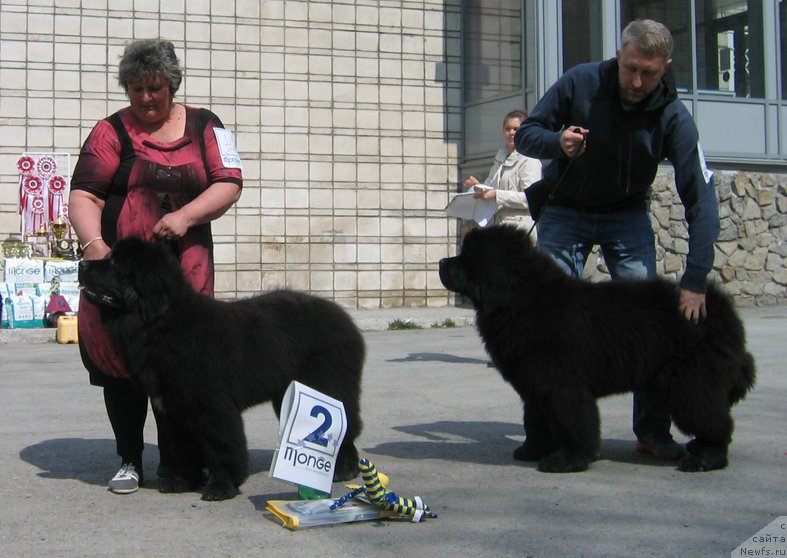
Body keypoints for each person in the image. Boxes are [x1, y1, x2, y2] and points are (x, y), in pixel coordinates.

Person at [515, 19, 720, 460]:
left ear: (665, 67)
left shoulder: (673, 116)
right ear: (619, 55)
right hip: (565, 208)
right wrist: (558, 141)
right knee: (543, 325)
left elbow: (700, 197)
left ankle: (651, 431)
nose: (637, 81)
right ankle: (543, 433)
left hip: (626, 216)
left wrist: (696, 276)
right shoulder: (580, 81)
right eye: (630, 69)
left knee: (649, 327)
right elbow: (528, 134)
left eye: (649, 72)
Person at [69, 39, 243, 494]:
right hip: (120, 271)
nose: (145, 98)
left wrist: (186, 216)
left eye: (154, 88)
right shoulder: (109, 132)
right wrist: (94, 246)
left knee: (181, 366)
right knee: (120, 361)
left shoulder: (207, 125)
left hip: (186, 271)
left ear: (171, 84)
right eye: (136, 88)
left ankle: (179, 461)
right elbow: (84, 195)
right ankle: (129, 458)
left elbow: (230, 181)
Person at [463, 110, 542, 229]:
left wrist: (496, 195)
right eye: (507, 129)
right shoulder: (500, 159)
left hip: (520, 230)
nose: (511, 133)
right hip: (499, 228)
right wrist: (478, 187)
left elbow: (531, 199)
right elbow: (490, 189)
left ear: (525, 132)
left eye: (516, 129)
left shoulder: (530, 159)